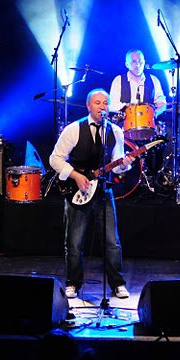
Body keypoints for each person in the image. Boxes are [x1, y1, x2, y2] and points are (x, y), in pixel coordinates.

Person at [49, 88, 134, 299]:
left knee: (112, 241)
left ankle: (117, 284)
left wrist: (125, 165)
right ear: (89, 106)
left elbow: (116, 165)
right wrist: (76, 176)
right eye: (98, 103)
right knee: (75, 242)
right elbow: (55, 159)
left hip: (104, 192)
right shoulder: (73, 129)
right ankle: (73, 283)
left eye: (105, 103)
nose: (102, 107)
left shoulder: (115, 131)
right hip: (78, 191)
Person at [109, 48, 167, 124]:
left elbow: (162, 102)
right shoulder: (118, 80)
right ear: (127, 64)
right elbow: (112, 105)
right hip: (124, 126)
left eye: (140, 61)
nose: (138, 65)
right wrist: (129, 107)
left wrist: (155, 112)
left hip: (148, 125)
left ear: (144, 62)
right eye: (134, 62)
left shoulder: (153, 80)